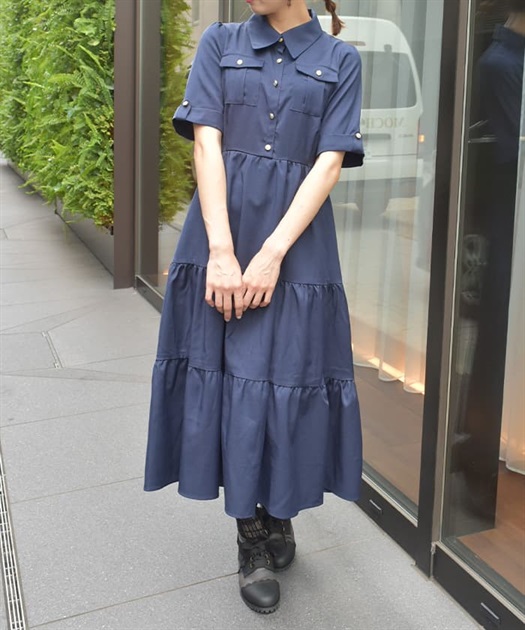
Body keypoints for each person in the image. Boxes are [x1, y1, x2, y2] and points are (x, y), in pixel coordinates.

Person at [144, 0, 364, 614]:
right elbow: (206, 144)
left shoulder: (340, 58)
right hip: (222, 232)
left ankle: (277, 507)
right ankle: (250, 535)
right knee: (233, 375)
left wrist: (271, 254)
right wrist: (221, 250)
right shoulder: (220, 42)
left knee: (288, 374)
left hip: (297, 244)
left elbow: (329, 163)